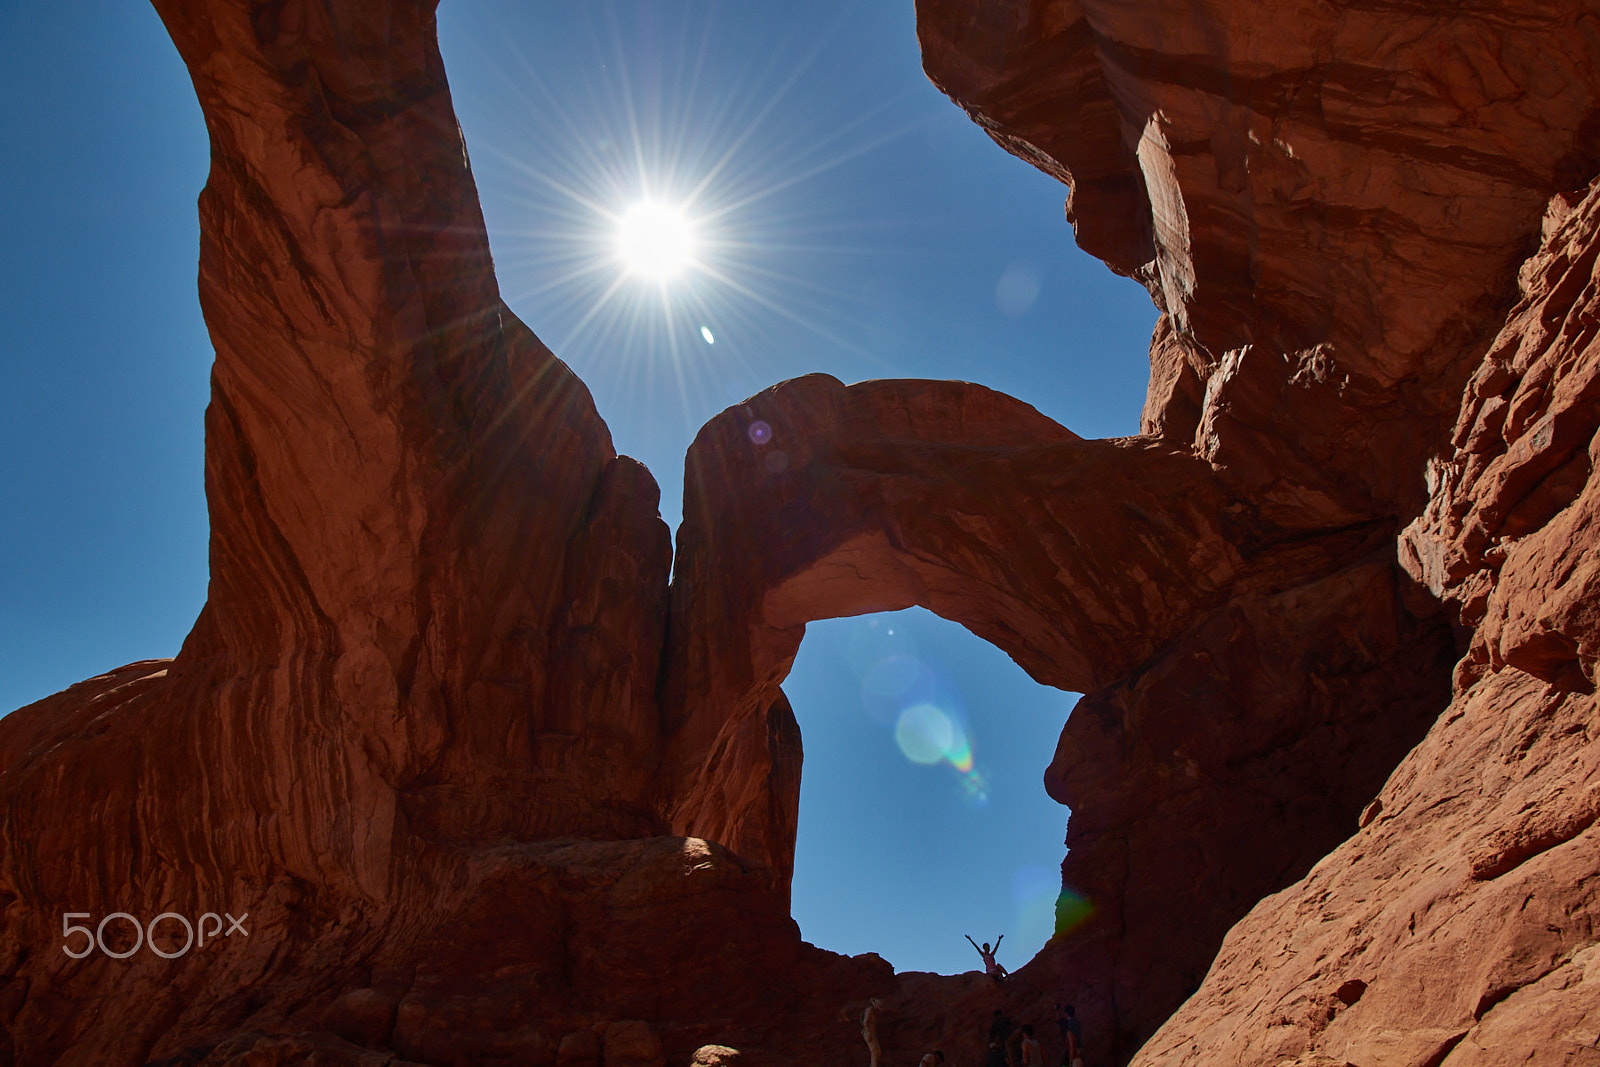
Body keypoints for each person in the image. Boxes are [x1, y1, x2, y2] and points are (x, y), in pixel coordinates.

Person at [862, 998, 883, 1067]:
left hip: (873, 1034)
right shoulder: (869, 1011)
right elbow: (865, 1022)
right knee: (874, 1052)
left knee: (878, 1051)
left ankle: (875, 1065)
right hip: (869, 1034)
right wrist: (868, 1033)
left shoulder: (872, 1012)